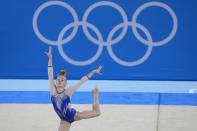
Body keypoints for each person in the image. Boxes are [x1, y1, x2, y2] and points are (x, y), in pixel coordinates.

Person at [45, 46, 102, 131]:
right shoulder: (53, 90)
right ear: (56, 81)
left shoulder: (68, 91)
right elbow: (50, 73)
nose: (59, 81)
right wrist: (50, 58)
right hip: (64, 119)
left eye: (62, 80)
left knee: (97, 112)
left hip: (73, 115)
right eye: (58, 80)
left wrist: (93, 72)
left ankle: (95, 94)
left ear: (65, 83)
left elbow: (81, 82)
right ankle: (95, 93)